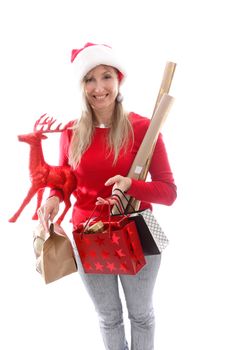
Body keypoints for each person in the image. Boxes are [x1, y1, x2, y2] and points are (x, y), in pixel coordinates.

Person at [40, 42, 177, 350]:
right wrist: (53, 198)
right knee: (108, 318)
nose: (98, 87)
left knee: (141, 316)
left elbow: (168, 192)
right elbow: (65, 180)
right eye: (89, 78)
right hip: (87, 236)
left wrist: (131, 185)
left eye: (106, 77)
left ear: (119, 80)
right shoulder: (71, 132)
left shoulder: (144, 129)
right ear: (81, 85)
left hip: (137, 235)